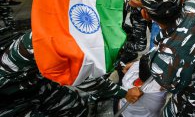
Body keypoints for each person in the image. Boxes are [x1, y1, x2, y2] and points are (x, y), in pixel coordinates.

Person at [0, 30, 142, 116]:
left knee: (75, 106)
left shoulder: (67, 34)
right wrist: (124, 93)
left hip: (34, 85)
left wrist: (122, 65)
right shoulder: (45, 41)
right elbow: (84, 80)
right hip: (6, 98)